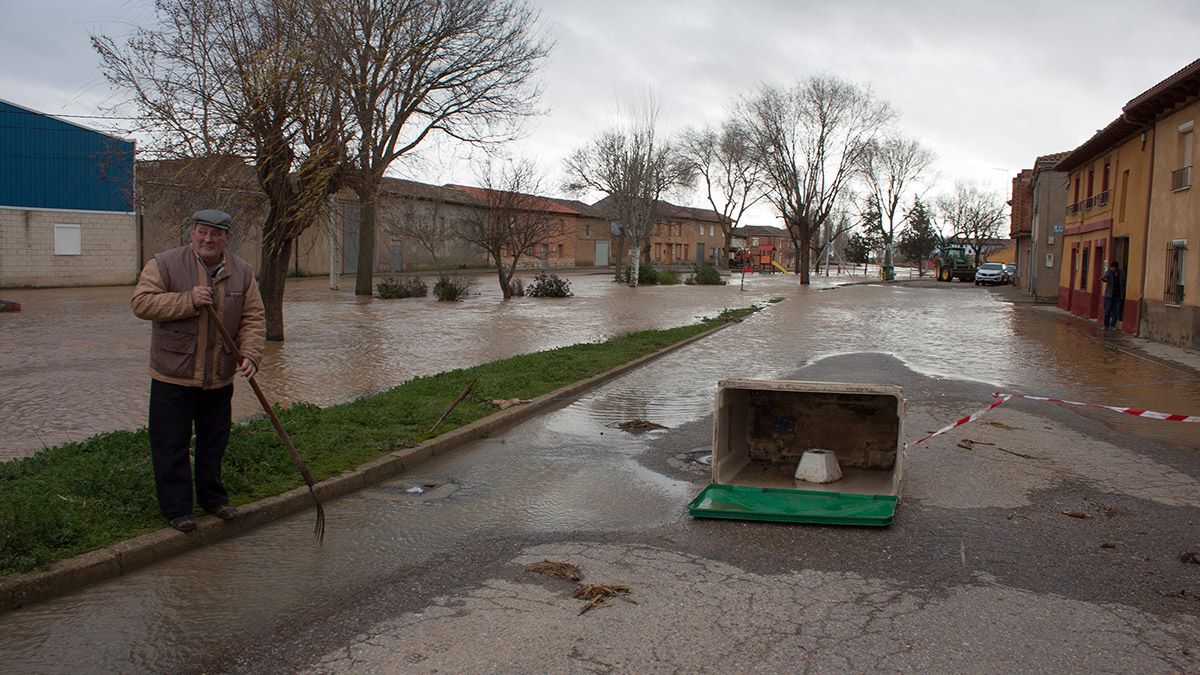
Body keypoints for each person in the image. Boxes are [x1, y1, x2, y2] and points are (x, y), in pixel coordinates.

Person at [132, 209, 265, 532]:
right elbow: (141, 303)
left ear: (227, 239)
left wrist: (250, 354)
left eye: (216, 234)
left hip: (218, 377)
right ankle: (178, 509)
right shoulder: (164, 264)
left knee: (213, 443)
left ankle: (213, 499)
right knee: (170, 444)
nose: (208, 239)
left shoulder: (242, 272)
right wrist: (186, 300)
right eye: (202, 232)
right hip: (172, 375)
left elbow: (253, 318)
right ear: (191, 232)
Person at [1101, 260, 1124, 330]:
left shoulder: (1121, 274)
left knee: (1116, 311)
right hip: (1109, 295)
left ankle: (1112, 325)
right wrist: (1106, 281)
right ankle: (1106, 325)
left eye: (1113, 268)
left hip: (1118, 295)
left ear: (1116, 268)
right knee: (1107, 311)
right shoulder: (1108, 273)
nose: (1112, 269)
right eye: (1111, 267)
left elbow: (1123, 281)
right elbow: (1101, 278)